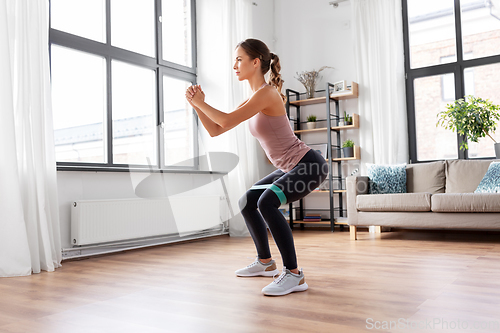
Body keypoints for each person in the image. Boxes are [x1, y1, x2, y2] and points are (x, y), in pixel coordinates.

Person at [185, 38, 328, 296]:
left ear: (255, 61)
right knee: (247, 202)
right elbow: (217, 129)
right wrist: (197, 107)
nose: (234, 65)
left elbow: (225, 120)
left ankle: (294, 275)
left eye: (239, 59)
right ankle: (265, 262)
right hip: (290, 168)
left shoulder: (266, 94)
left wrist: (201, 103)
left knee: (266, 202)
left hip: (309, 166)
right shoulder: (254, 96)